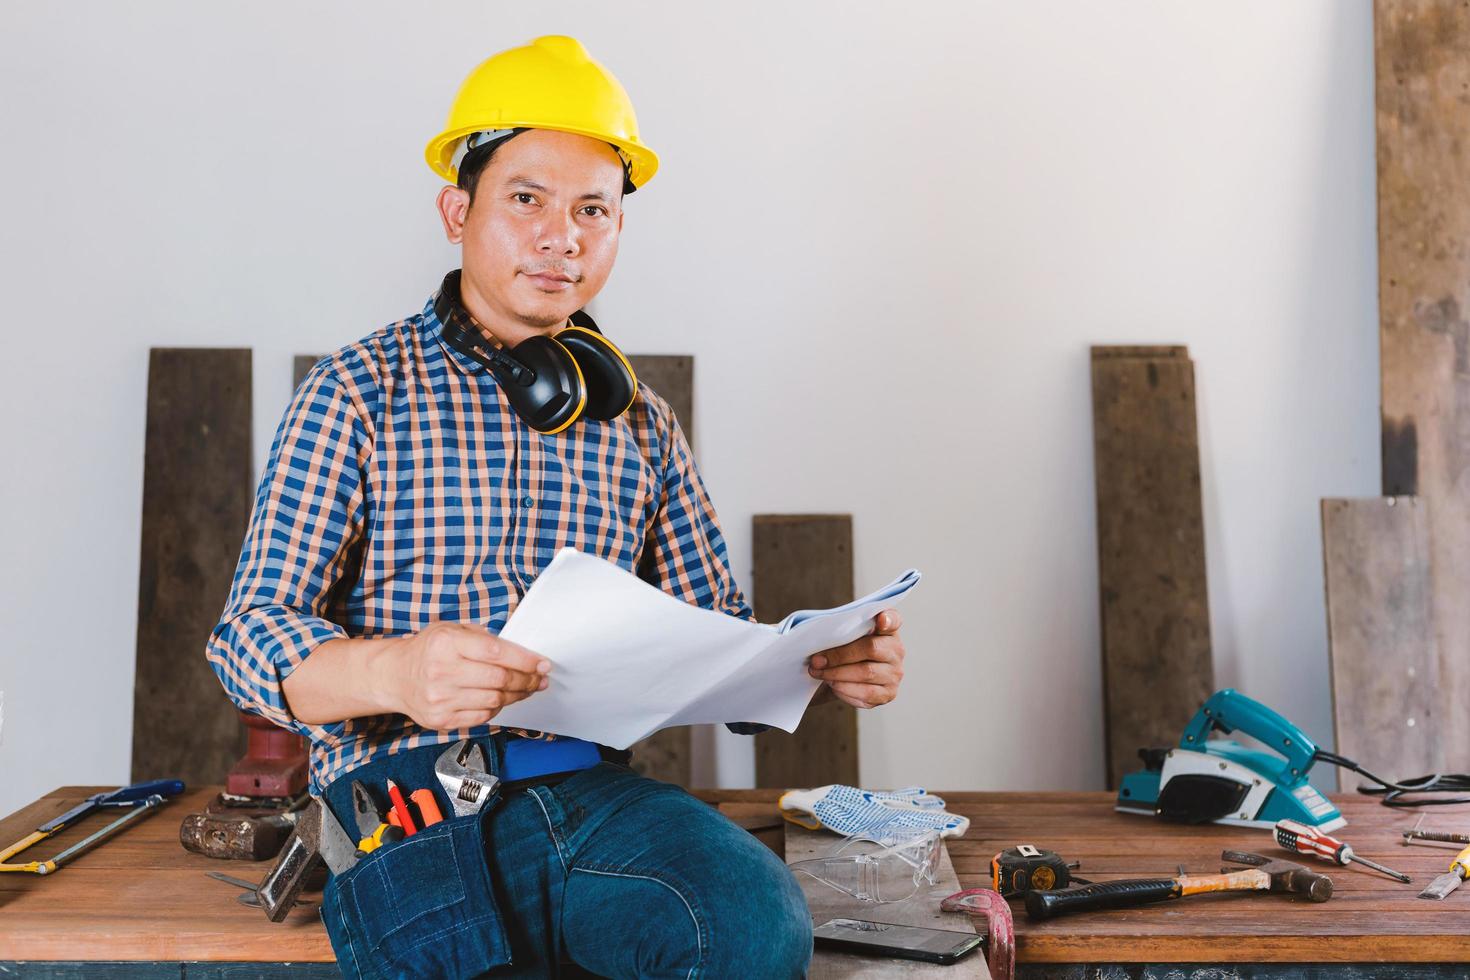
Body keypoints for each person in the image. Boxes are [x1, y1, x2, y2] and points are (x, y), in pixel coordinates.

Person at [206, 35, 907, 979]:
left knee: (750, 920)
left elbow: (720, 641)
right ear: (459, 209)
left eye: (593, 210)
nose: (560, 236)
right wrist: (397, 673)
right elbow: (246, 639)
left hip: (594, 795)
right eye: (526, 199)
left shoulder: (642, 423)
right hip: (399, 808)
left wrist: (814, 662)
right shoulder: (356, 391)